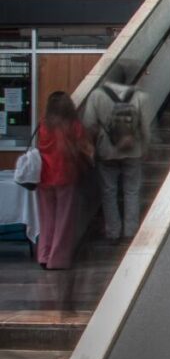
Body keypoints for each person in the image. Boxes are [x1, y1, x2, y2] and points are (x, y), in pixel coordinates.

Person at [83, 64, 150, 242]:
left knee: (109, 192)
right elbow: (146, 127)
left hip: (106, 151)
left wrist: (93, 146)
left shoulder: (97, 95)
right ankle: (131, 232)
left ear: (108, 78)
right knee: (132, 191)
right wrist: (146, 147)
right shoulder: (140, 96)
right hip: (133, 150)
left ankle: (113, 232)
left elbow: (89, 124)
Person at [36, 92, 92, 269]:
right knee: (64, 219)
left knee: (47, 218)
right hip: (65, 174)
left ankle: (43, 255)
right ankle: (57, 259)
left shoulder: (44, 125)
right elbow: (84, 147)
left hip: (44, 176)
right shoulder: (73, 126)